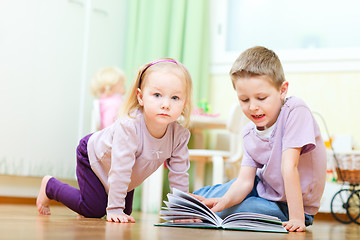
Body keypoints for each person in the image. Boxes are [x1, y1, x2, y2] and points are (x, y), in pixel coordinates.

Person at [36, 58, 193, 223]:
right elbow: (121, 169)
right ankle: (50, 186)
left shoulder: (179, 136)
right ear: (140, 97)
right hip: (93, 156)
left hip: (122, 170)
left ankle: (88, 203)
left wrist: (181, 213)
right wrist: (114, 209)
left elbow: (179, 175)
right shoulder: (130, 127)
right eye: (157, 95)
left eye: (175, 98)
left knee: (126, 211)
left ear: (185, 103)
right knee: (96, 209)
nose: (166, 104)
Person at [192, 46, 326, 232]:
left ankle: (200, 213)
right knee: (207, 197)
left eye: (261, 98)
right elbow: (244, 182)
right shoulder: (248, 133)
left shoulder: (295, 110)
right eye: (244, 100)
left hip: (291, 207)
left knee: (236, 211)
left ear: (282, 90)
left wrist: (297, 218)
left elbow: (289, 166)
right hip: (260, 188)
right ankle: (190, 209)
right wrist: (223, 201)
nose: (253, 107)